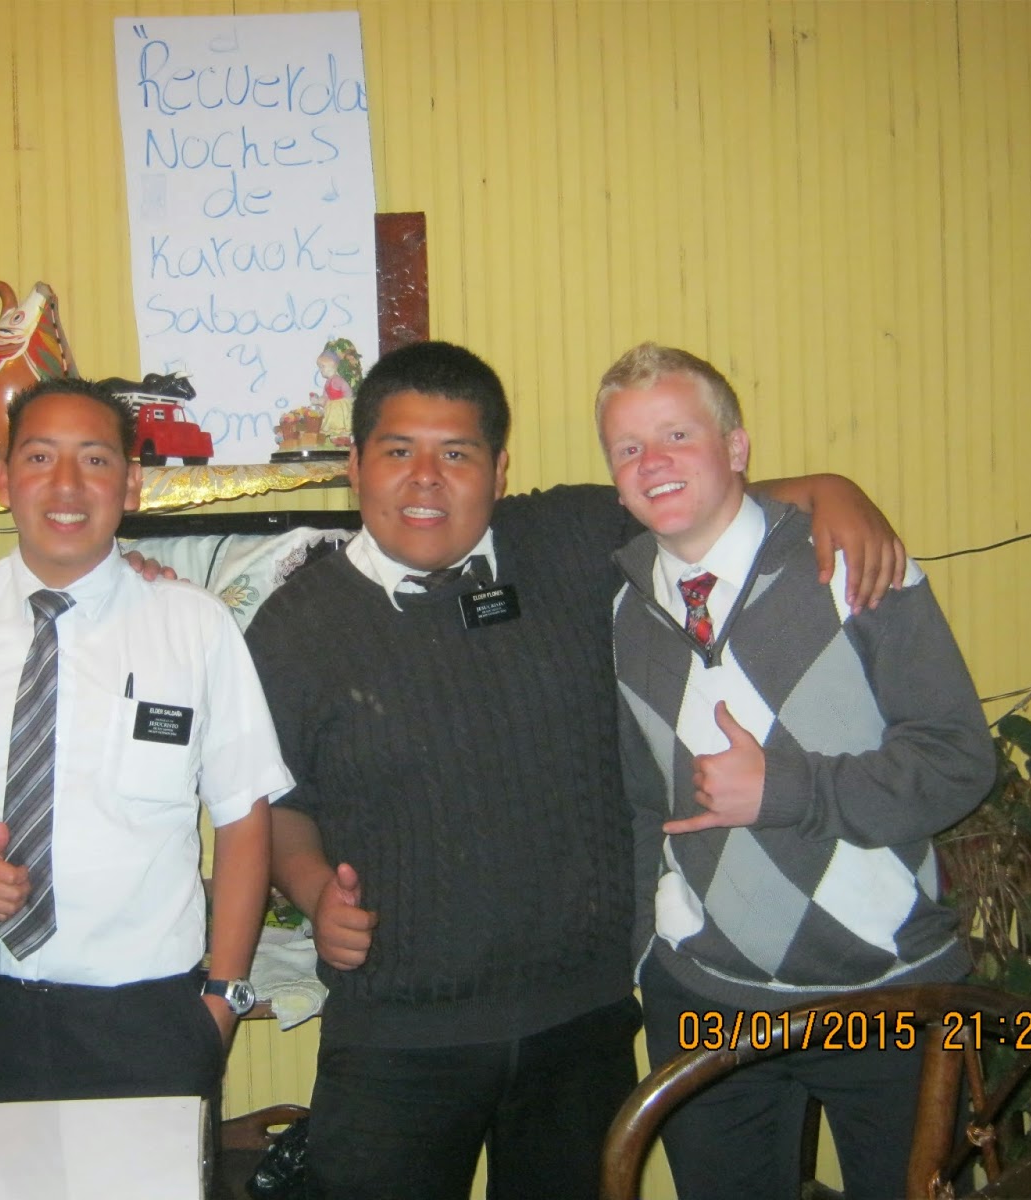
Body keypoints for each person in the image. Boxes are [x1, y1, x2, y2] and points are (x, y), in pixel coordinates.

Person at [242, 339, 906, 1200]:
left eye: (457, 454)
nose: (426, 478)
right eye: (398, 451)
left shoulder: (572, 539)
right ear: (355, 466)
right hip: (396, 1035)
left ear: (500, 471)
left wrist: (829, 491)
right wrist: (311, 889)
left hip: (582, 1021)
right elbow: (279, 800)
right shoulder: (295, 627)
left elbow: (703, 501)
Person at [597, 343, 995, 1200]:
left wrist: (787, 790)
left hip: (885, 992)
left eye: (677, 434)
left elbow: (960, 759)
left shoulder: (851, 563)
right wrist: (646, 952)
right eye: (628, 448)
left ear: (736, 447)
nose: (653, 461)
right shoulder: (628, 610)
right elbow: (642, 801)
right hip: (705, 996)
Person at [0, 377, 289, 1105]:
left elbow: (243, 815)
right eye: (39, 458)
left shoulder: (192, 626)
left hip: (150, 1014)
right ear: (2, 481)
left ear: (130, 484)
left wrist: (222, 999)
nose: (66, 484)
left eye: (95, 460)